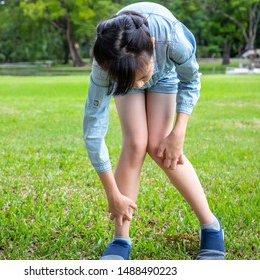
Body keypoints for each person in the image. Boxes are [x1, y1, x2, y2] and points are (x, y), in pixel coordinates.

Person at [83, 2, 225, 260]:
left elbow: (191, 80)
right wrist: (112, 194)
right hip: (124, 71)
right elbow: (93, 130)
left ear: (151, 42)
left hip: (164, 71)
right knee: (135, 144)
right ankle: (120, 239)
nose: (140, 85)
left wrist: (179, 131)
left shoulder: (171, 38)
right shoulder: (106, 65)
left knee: (161, 146)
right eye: (136, 82)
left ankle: (211, 225)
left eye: (141, 78)